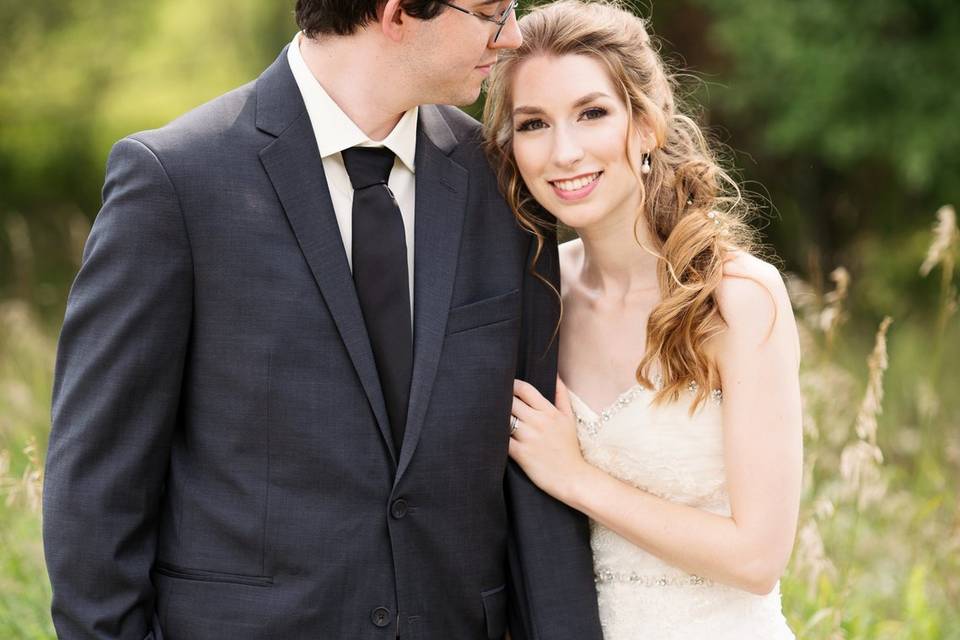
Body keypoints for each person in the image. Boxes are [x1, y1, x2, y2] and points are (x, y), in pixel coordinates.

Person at [42, 1, 605, 638]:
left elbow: (533, 475)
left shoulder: (503, 180)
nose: (513, 35)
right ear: (396, 14)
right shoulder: (175, 182)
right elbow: (97, 491)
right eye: (489, 11)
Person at [482, 1, 802, 637]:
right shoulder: (533, 298)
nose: (564, 152)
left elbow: (758, 558)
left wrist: (575, 478)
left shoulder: (737, 298)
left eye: (592, 113)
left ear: (648, 122)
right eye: (534, 124)